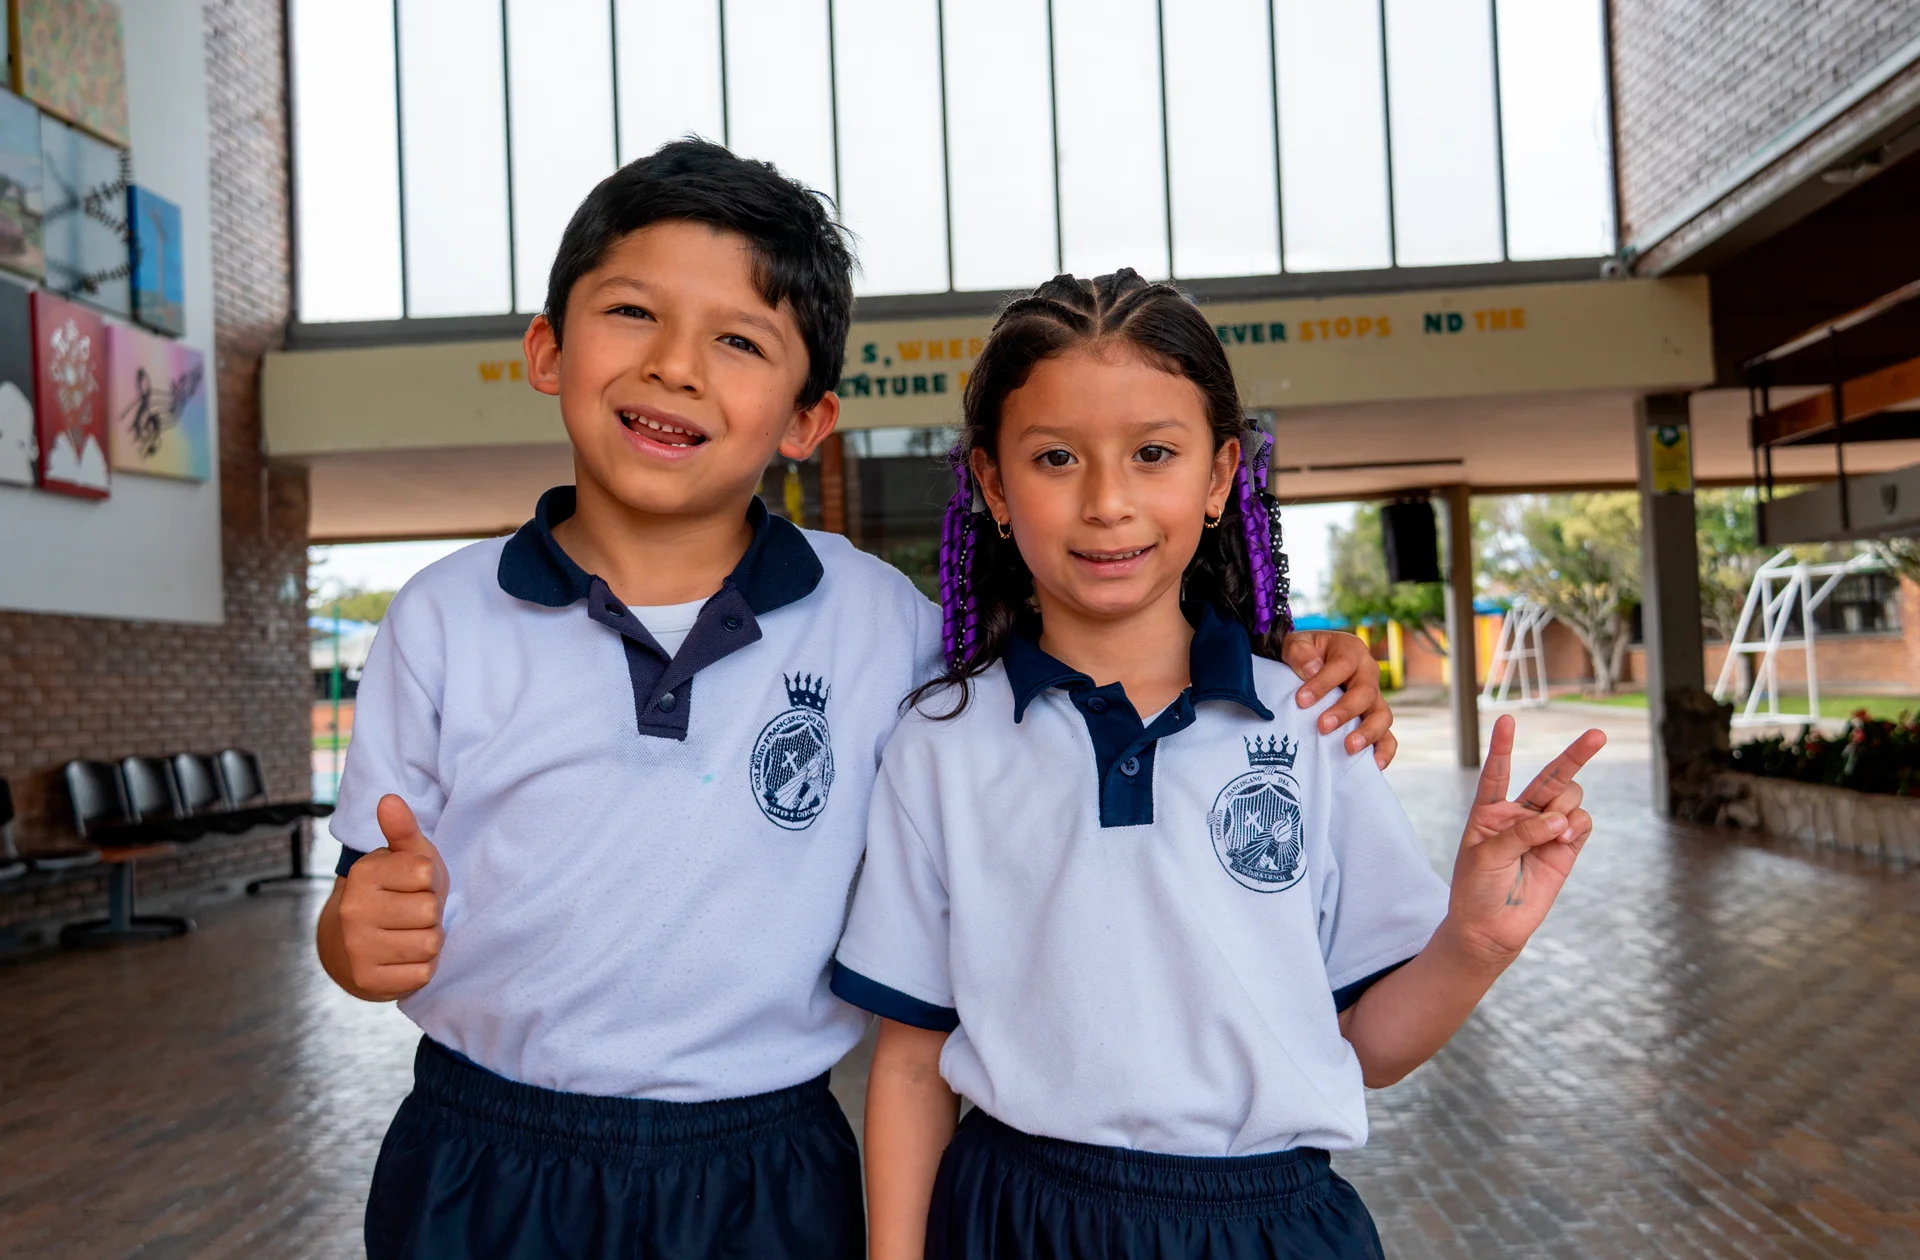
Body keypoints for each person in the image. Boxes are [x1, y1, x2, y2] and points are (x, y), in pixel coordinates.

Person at [312, 144, 1396, 1259]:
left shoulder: (887, 628)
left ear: (806, 421)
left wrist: (1298, 662)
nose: (677, 367)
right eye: (634, 312)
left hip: (768, 1171)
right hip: (485, 1156)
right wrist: (355, 939)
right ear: (547, 349)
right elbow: (358, 923)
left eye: (738, 340)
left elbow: (1099, 649)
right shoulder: (441, 617)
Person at [833, 269, 1608, 1260]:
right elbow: (910, 1064)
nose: (1108, 502)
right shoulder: (941, 742)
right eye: (1057, 457)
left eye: (1153, 453)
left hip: (1268, 1229)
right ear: (991, 482)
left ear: (1217, 477)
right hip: (1017, 1219)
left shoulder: (1315, 721)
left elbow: (1368, 1049)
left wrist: (1473, 944)